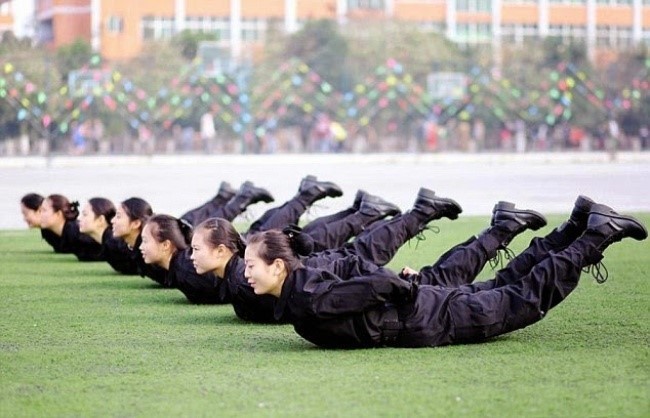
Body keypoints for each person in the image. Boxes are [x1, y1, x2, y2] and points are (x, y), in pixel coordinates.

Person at [242, 196, 647, 349]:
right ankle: (576, 226)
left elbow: (375, 285)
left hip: (425, 318)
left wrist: (406, 288)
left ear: (278, 265)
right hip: (422, 310)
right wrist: (408, 289)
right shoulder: (301, 289)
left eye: (251, 266)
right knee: (509, 284)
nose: (246, 275)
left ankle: (597, 233)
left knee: (524, 298)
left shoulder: (308, 298)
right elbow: (362, 281)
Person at [39, 194, 104, 261]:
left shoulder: (76, 232)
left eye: (44, 210)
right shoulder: (48, 232)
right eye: (40, 210)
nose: (40, 214)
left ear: (59, 214)